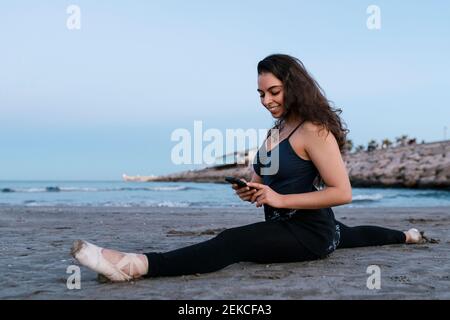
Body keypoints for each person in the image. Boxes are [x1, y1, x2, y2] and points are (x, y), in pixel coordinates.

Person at [71, 54, 423, 282]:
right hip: (291, 225)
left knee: (233, 242)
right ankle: (408, 235)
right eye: (260, 94)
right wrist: (250, 188)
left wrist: (279, 200)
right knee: (354, 235)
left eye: (274, 91)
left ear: (294, 87)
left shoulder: (314, 130)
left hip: (307, 233)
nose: (266, 101)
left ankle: (136, 266)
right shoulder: (275, 132)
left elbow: (341, 192)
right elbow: (262, 181)